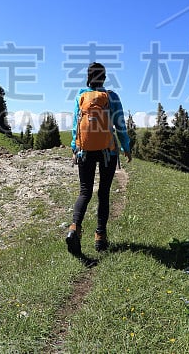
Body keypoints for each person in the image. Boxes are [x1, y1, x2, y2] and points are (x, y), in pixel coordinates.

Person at [67, 62, 131, 255]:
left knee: (84, 192)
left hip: (84, 151)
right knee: (103, 193)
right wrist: (126, 147)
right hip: (108, 152)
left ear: (88, 77)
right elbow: (120, 125)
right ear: (104, 77)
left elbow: (75, 125)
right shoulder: (111, 97)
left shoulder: (81, 96)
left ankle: (74, 229)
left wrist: (74, 147)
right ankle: (100, 237)